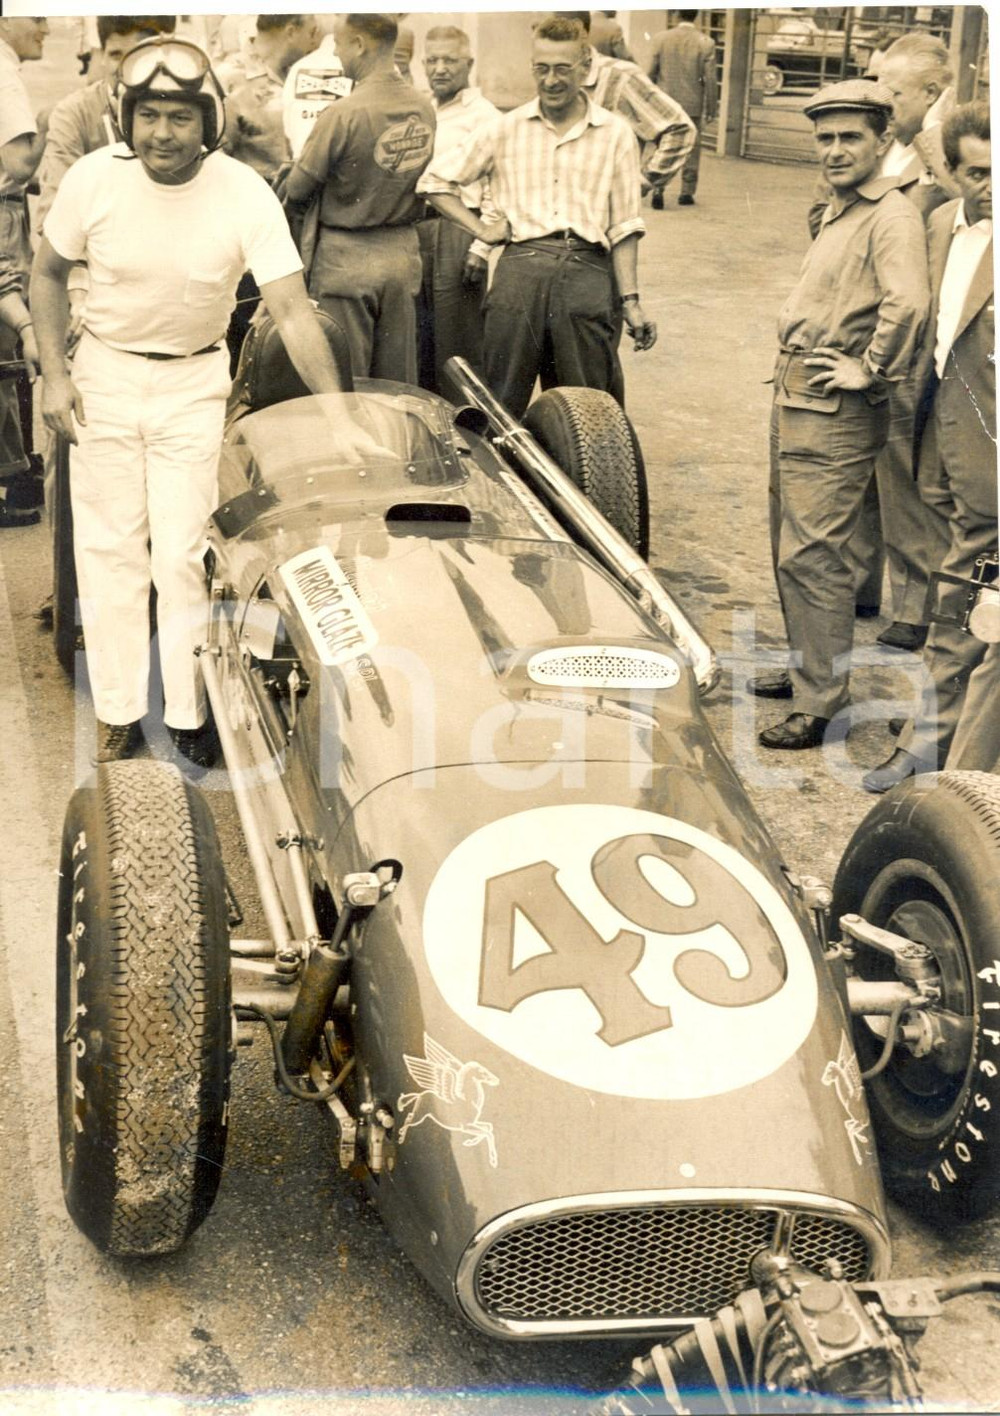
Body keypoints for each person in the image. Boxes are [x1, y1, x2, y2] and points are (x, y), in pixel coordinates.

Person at [30, 36, 349, 768]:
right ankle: (116, 711)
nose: (161, 135)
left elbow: (293, 312)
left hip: (194, 382)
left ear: (208, 122)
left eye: (179, 117)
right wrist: (55, 373)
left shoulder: (243, 191)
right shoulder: (92, 180)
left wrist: (337, 416)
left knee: (182, 554)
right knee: (110, 552)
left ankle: (184, 713)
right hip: (104, 377)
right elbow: (47, 274)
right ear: (126, 117)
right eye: (148, 116)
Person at [750, 80, 930, 751]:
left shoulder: (892, 214)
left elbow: (908, 302)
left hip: (836, 404)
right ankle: (809, 671)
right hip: (797, 390)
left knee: (815, 553)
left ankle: (822, 704)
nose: (834, 150)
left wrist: (872, 368)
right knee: (792, 544)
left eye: (850, 137)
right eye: (824, 138)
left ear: (884, 140)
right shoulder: (841, 207)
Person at [418, 15, 656, 421]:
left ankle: (587, 482)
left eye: (562, 69)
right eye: (541, 69)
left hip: (586, 273)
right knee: (499, 404)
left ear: (584, 68)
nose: (551, 81)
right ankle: (500, 483)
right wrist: (481, 230)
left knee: (588, 408)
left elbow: (625, 228)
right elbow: (436, 182)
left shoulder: (615, 133)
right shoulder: (506, 128)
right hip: (519, 274)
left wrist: (631, 302)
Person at [863, 101, 995, 791]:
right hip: (936, 426)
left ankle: (929, 746)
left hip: (988, 453)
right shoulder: (940, 222)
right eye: (976, 173)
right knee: (956, 588)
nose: (991, 187)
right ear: (948, 168)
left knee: (961, 599)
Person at [283, 14, 435, 385]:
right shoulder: (423, 108)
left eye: (338, 43)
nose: (335, 53)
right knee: (396, 382)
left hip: (346, 259)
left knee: (343, 380)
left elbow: (297, 190)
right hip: (401, 257)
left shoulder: (343, 113)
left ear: (360, 45)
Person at [416, 25, 499, 393]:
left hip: (459, 231)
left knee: (458, 341)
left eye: (450, 60)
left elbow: (501, 187)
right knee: (419, 335)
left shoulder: (486, 116)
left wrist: (481, 246)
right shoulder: (421, 108)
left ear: (469, 63)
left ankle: (466, 430)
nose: (440, 69)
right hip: (417, 229)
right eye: (432, 60)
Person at [37, 16, 178, 231]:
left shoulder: (185, 106)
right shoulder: (74, 113)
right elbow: (55, 215)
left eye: (138, 55)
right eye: (115, 55)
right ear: (101, 57)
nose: (125, 67)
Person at [561, 12, 695, 201]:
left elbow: (680, 128)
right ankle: (686, 191)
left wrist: (644, 180)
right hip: (689, 99)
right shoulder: (612, 29)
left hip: (623, 89)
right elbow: (628, 56)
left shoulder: (623, 72)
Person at [0, 15, 48, 527]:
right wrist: (51, 128)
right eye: (38, 17)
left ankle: (17, 473)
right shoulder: (4, 68)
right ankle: (15, 480)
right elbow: (17, 163)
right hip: (2, 213)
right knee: (9, 346)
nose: (48, 28)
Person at [224, 14, 319, 179]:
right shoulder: (229, 78)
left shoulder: (303, 73)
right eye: (311, 32)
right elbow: (218, 157)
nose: (314, 41)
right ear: (291, 32)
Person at [645, 10, 718, 209]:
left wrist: (647, 101)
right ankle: (687, 192)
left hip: (665, 104)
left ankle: (658, 186)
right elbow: (710, 79)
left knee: (662, 145)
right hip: (692, 104)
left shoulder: (661, 39)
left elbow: (651, 73)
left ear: (677, 15)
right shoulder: (706, 42)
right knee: (692, 147)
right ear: (695, 16)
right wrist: (712, 106)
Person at [282, 18, 352, 162]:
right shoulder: (366, 65)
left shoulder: (298, 68)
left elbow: (288, 128)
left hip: (303, 165)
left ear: (315, 32)